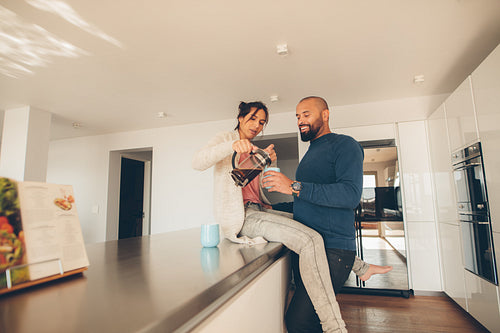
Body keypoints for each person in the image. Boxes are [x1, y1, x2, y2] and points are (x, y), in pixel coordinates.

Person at [192, 101, 390, 333]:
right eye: (253, 119)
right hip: (243, 216)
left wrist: (267, 162)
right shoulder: (227, 140)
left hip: (261, 210)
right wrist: (232, 145)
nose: (257, 125)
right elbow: (198, 162)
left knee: (307, 223)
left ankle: (361, 267)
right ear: (240, 117)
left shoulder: (255, 150)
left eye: (262, 122)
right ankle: (335, 327)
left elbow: (257, 190)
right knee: (308, 240)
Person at [262, 96, 384, 332]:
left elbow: (349, 195)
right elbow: (307, 202)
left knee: (300, 322)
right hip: (310, 249)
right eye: (297, 116)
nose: (300, 121)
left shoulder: (345, 145)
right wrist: (272, 208)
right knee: (309, 320)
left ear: (325, 115)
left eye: (306, 114)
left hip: (333, 251)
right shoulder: (310, 153)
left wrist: (294, 186)